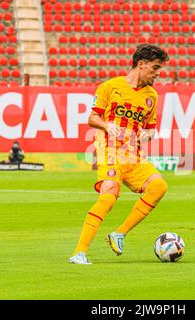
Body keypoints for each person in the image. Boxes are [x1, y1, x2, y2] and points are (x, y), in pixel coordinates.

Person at [69, 44, 169, 264]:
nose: (158, 73)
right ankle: (79, 252)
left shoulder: (151, 96)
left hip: (133, 154)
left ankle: (119, 233)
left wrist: (147, 136)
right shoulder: (110, 87)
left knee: (159, 186)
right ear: (141, 64)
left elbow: (151, 129)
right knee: (109, 193)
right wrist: (107, 125)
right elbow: (92, 118)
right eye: (155, 67)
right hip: (109, 149)